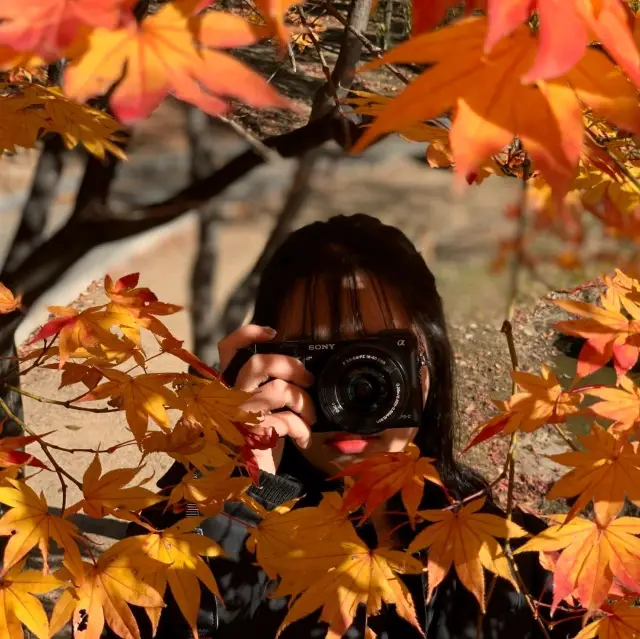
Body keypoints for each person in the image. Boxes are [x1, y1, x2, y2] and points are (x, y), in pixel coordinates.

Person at [104, 214, 580, 639]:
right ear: (263, 364)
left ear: (428, 365)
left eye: (377, 357)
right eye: (319, 358)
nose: (353, 389)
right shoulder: (189, 520)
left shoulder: (523, 559)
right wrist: (241, 496)